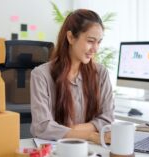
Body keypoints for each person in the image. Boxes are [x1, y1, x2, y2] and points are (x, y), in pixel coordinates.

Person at [30, 9, 114, 144]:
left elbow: (108, 118)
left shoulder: (101, 73)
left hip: (92, 149)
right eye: (91, 41)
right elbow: (42, 127)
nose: (95, 48)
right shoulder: (41, 75)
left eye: (99, 42)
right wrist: (89, 135)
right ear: (70, 37)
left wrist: (73, 130)